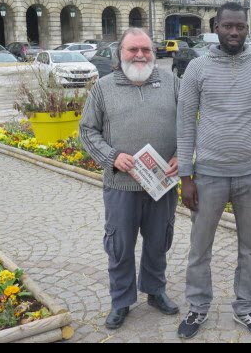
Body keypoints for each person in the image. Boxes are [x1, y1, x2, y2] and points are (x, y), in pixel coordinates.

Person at [176, 2, 251, 339]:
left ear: (247, 28)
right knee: (200, 247)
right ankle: (197, 307)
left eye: (240, 26)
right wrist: (186, 176)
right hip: (207, 175)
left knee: (250, 246)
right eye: (227, 26)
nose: (234, 32)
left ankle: (246, 308)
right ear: (216, 27)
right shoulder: (197, 68)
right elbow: (184, 123)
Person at [79, 27, 181, 330]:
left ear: (154, 52)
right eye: (133, 50)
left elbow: (191, 124)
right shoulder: (104, 88)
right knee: (119, 245)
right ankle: (121, 300)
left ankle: (155, 290)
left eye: (146, 49)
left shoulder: (173, 83)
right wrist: (112, 157)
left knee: (158, 240)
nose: (140, 55)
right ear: (119, 53)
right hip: (121, 186)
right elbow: (87, 130)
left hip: (161, 183)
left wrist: (184, 156)